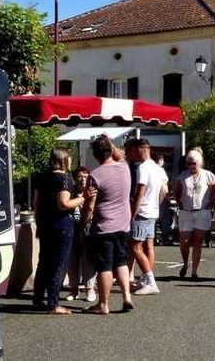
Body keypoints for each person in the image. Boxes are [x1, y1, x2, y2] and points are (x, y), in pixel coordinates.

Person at [84, 135, 133, 315]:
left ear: (96, 155)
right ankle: (126, 296)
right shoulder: (124, 167)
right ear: (110, 150)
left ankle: (103, 304)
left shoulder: (95, 175)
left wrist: (84, 222)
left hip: (104, 225)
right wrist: (109, 142)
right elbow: (119, 154)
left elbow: (90, 204)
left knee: (104, 266)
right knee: (121, 261)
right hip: (123, 223)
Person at [32, 148, 84, 314]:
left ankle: (38, 298)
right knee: (58, 264)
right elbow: (64, 203)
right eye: (69, 159)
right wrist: (82, 199)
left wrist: (39, 224)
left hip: (45, 224)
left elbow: (36, 203)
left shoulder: (42, 177)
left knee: (44, 263)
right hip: (62, 225)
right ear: (63, 160)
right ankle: (53, 303)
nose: (70, 162)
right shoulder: (64, 178)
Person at [175, 149, 215, 279]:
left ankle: (194, 271)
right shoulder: (183, 176)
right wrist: (179, 203)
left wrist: (211, 202)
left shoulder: (208, 175)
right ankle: (185, 263)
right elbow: (177, 191)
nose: (191, 166)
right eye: (189, 163)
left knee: (198, 242)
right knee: (184, 241)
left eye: (194, 163)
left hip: (202, 211)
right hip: (186, 212)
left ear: (199, 163)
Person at [128, 139, 165, 295]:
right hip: (153, 211)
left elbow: (139, 193)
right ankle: (146, 279)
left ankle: (150, 282)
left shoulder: (142, 168)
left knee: (135, 247)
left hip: (142, 212)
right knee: (147, 246)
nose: (131, 155)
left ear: (139, 149)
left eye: (131, 150)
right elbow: (163, 191)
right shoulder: (157, 168)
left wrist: (132, 214)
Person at [65, 166, 97, 303]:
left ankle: (90, 289)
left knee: (88, 259)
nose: (83, 179)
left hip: (88, 228)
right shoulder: (69, 192)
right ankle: (74, 289)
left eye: (85, 176)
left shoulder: (92, 191)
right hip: (72, 227)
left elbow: (92, 209)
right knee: (72, 259)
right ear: (75, 178)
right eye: (80, 176)